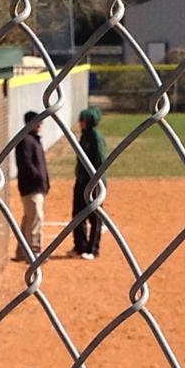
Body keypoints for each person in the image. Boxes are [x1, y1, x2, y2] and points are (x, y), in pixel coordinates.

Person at [14, 111, 50, 261]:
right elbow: (26, 165)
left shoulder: (33, 140)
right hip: (31, 187)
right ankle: (34, 252)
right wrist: (39, 178)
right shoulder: (26, 141)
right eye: (37, 122)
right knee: (35, 218)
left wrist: (45, 181)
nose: (40, 124)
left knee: (30, 218)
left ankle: (22, 251)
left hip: (36, 186)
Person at [70, 107, 105, 259]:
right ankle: (80, 246)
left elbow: (100, 161)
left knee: (94, 216)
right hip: (81, 180)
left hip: (94, 182)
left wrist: (96, 180)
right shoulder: (84, 136)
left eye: (83, 121)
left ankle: (93, 249)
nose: (80, 123)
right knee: (77, 213)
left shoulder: (95, 137)